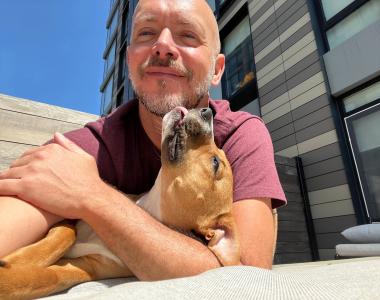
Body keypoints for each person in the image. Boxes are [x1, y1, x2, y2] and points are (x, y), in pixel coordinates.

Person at [0, 0, 286, 280]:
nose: (162, 46)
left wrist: (92, 197)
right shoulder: (95, 146)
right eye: (146, 33)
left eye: (187, 35)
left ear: (216, 69)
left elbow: (247, 275)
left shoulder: (239, 134)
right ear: (128, 60)